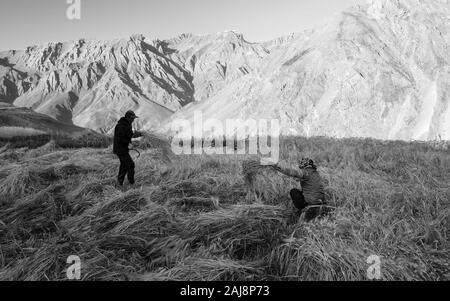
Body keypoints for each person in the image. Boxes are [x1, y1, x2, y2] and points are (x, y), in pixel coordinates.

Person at [113, 110, 143, 189]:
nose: (133, 120)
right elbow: (120, 138)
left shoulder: (126, 124)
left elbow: (129, 135)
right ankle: (131, 184)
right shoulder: (122, 125)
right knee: (130, 165)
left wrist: (139, 134)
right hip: (120, 149)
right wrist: (128, 144)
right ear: (128, 117)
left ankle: (119, 184)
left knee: (124, 166)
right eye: (132, 118)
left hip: (122, 148)